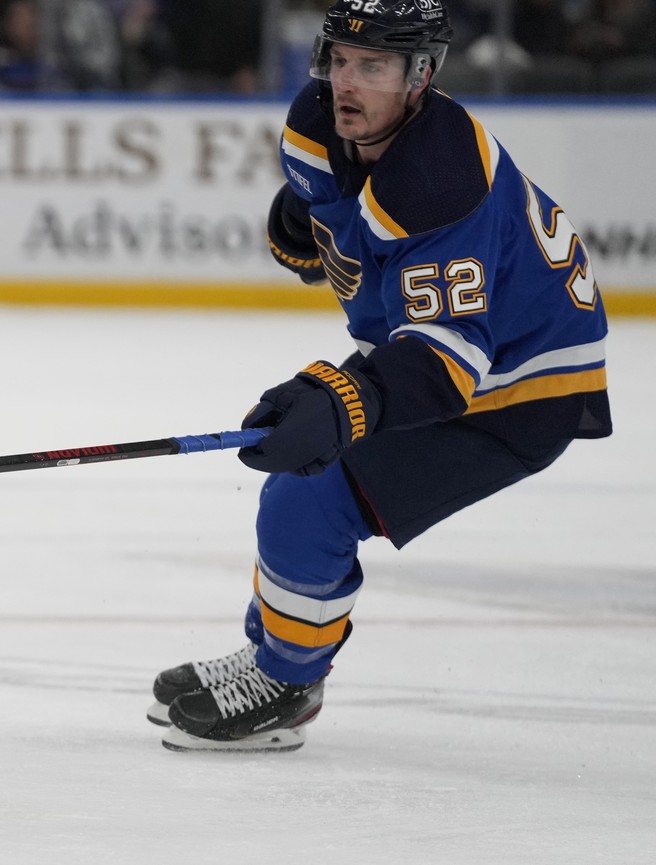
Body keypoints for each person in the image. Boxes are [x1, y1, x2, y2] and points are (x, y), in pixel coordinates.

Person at [148, 0, 612, 753]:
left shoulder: (441, 181)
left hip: (519, 385)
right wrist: (307, 232)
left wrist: (348, 399)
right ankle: (276, 653)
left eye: (375, 68)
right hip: (455, 350)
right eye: (339, 61)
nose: (347, 84)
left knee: (308, 499)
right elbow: (325, 218)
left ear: (420, 77)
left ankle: (286, 682)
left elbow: (446, 361)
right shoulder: (317, 120)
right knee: (303, 480)